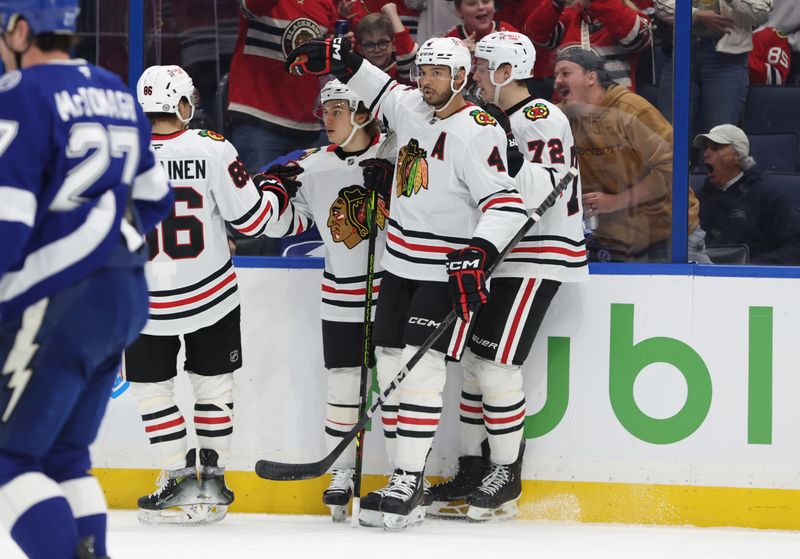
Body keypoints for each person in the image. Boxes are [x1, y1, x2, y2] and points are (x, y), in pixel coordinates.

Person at [285, 35, 529, 530]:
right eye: (423, 71)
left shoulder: (476, 131)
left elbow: (507, 205)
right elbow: (377, 89)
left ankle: (407, 479)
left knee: (421, 375)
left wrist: (477, 252)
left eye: (438, 73)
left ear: (461, 78)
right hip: (398, 266)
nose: (427, 80)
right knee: (390, 365)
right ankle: (406, 478)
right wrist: (345, 59)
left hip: (443, 270)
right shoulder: (412, 106)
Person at [0, 2, 173, 558]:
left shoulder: (19, 93)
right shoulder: (118, 92)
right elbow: (154, 200)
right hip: (122, 293)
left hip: (58, 295)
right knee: (64, 456)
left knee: (8, 459)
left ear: (21, 30)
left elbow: (8, 223)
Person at [424, 31, 589, 522]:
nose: (474, 74)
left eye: (481, 66)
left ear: (505, 71)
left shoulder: (540, 115)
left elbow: (551, 184)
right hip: (502, 256)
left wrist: (510, 161)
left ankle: (505, 472)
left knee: (495, 365)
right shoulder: (494, 120)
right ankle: (474, 469)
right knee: (475, 363)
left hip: (539, 255)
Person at [127, 64, 288, 525]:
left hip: (144, 300)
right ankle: (212, 484)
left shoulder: (121, 153)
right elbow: (254, 222)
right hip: (211, 293)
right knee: (213, 387)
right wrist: (275, 192)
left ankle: (178, 480)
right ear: (181, 104)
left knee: (152, 391)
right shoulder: (212, 148)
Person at [261, 80, 392, 521]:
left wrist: (391, 187)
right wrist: (274, 193)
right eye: (325, 109)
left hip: (392, 290)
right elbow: (286, 225)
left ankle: (402, 476)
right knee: (342, 385)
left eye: (337, 108)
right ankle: (342, 472)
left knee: (395, 388)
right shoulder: (313, 166)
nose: (327, 117)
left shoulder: (394, 154)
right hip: (340, 291)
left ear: (362, 111)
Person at [553, 46, 706, 262]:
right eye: (555, 75)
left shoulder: (630, 110)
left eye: (565, 73)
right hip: (614, 241)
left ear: (591, 77)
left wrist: (616, 201)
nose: (557, 81)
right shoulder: (561, 117)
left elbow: (675, 167)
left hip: (669, 233)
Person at [227, 0, 337, 173]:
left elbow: (322, 62)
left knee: (307, 199)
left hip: (307, 128)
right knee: (259, 197)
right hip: (258, 122)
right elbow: (250, 7)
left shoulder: (325, 3)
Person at [654, 0, 772, 132]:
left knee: (719, 139)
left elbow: (763, 12)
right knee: (671, 139)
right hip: (682, 52)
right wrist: (695, 15)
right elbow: (660, 5)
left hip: (728, 61)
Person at [694, 124, 800, 264]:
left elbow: (795, 246)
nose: (706, 153)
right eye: (705, 148)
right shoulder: (695, 201)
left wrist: (752, 269)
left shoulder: (768, 198)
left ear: (738, 155)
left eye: (715, 147)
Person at [525, 0, 653, 93]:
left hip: (614, 111)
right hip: (570, 108)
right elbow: (536, 34)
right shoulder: (570, 17)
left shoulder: (631, 17)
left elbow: (636, 38)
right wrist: (555, 3)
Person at [354, 3, 418, 85]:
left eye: (382, 43)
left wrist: (393, 15)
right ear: (361, 50)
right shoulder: (356, 73)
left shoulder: (400, 73)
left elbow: (408, 57)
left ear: (394, 45)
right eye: (370, 45)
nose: (377, 50)